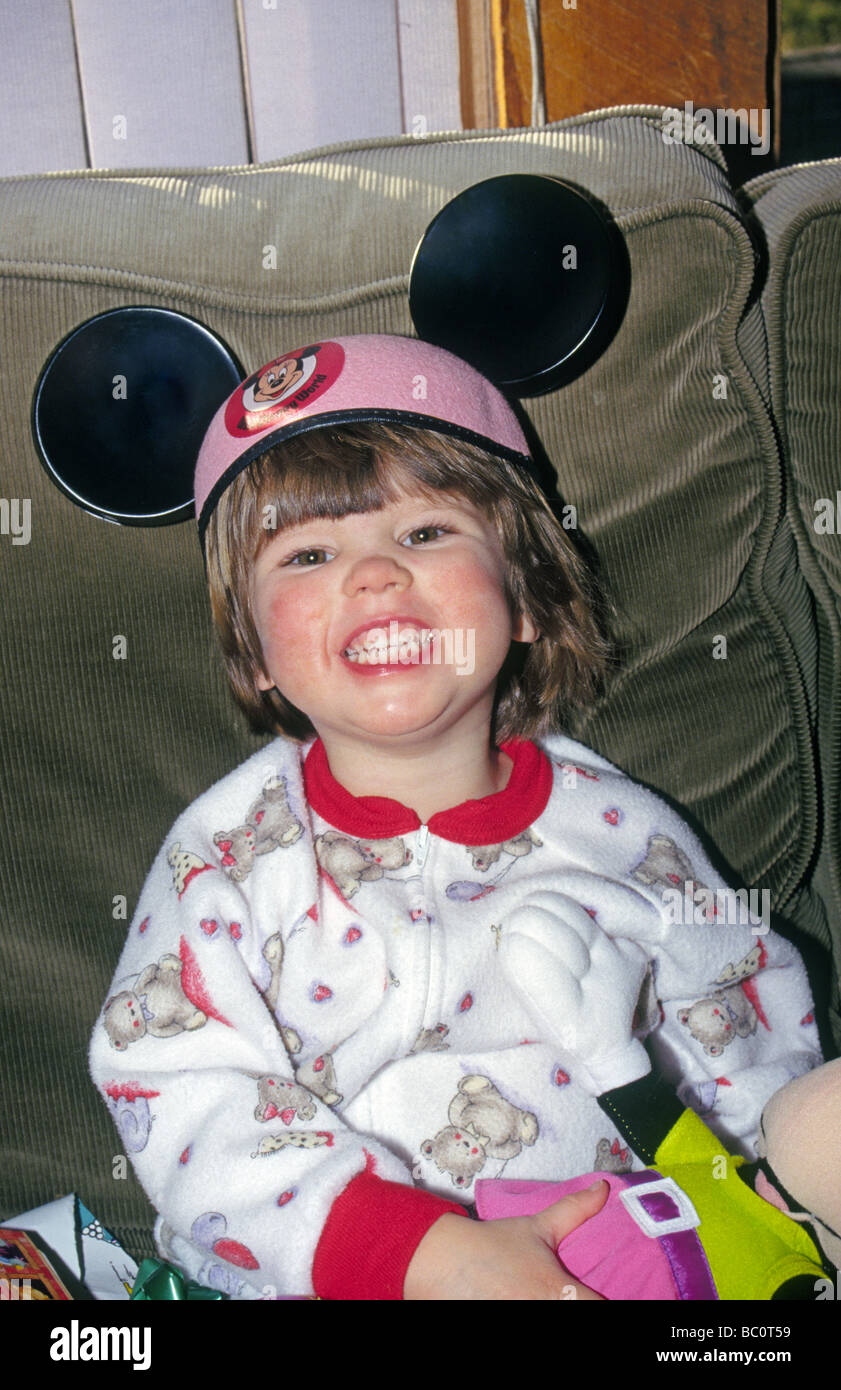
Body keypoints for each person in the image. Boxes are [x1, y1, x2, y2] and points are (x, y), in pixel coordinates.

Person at [89, 334, 822, 1301]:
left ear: (523, 598)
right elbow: (178, 1087)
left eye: (426, 533)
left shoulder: (624, 835)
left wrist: (753, 1204)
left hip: (621, 1264)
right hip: (342, 1272)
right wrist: (409, 1253)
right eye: (308, 554)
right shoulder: (226, 855)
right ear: (255, 653)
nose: (374, 574)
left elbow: (743, 1016)